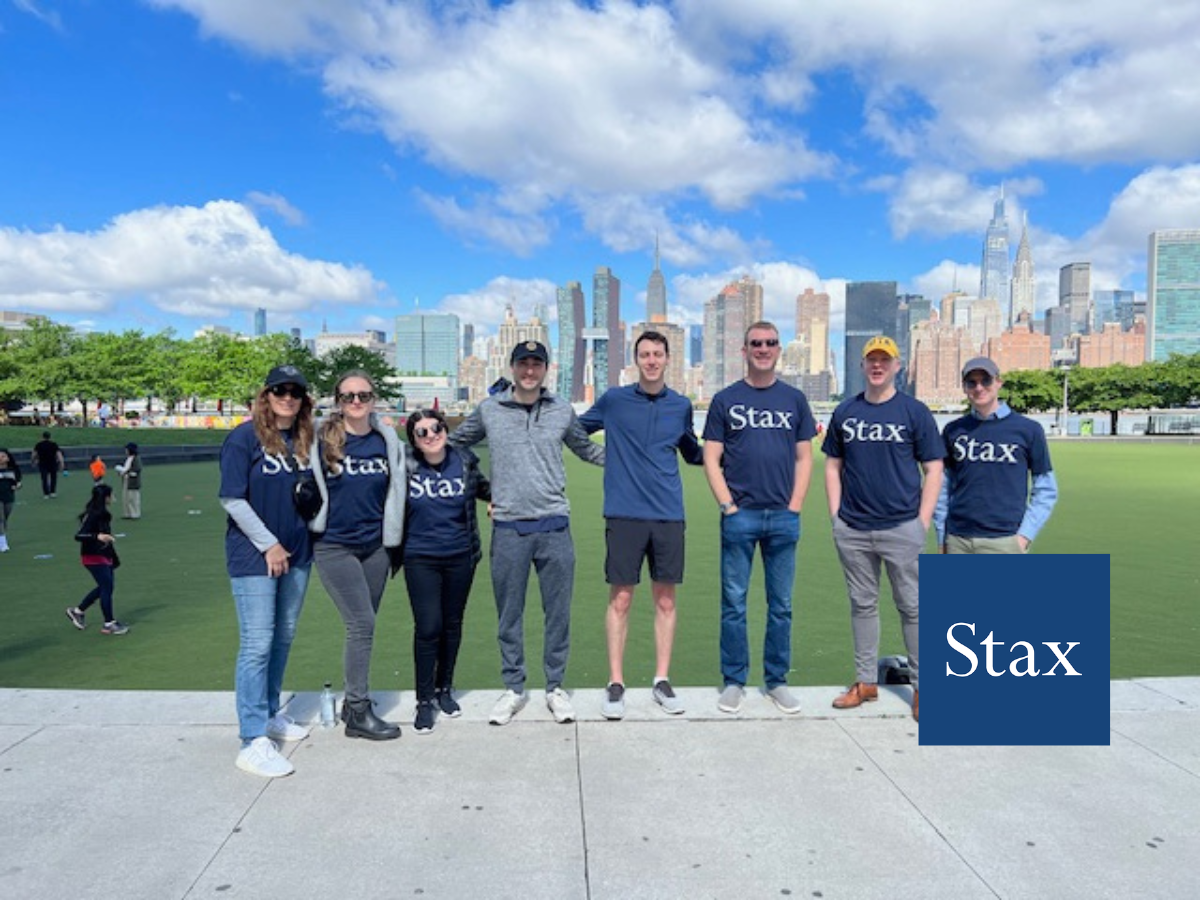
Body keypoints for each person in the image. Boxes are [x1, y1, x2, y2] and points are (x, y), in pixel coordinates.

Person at [449, 340, 605, 726]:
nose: (530, 370)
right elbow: (452, 447)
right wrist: (483, 488)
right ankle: (514, 687)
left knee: (558, 615)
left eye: (536, 364)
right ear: (513, 367)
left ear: (546, 369)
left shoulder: (561, 411)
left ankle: (555, 687)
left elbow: (587, 450)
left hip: (554, 525)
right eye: (523, 364)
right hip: (508, 528)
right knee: (509, 616)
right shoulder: (490, 409)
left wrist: (635, 460)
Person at [579, 331, 703, 719]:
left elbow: (692, 452)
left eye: (657, 354)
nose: (651, 360)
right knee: (622, 599)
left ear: (668, 359)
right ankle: (616, 683)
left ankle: (661, 680)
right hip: (624, 513)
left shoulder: (680, 405)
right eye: (644, 354)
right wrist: (605, 459)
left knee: (665, 600)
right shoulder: (614, 400)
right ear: (636, 360)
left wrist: (731, 450)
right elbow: (572, 432)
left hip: (668, 513)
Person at [823, 336, 943, 723]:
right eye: (871, 359)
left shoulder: (914, 412)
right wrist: (836, 517)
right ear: (862, 366)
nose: (877, 365)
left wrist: (922, 521)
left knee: (913, 607)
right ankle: (865, 682)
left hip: (901, 527)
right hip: (854, 528)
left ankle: (924, 689)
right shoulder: (846, 412)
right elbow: (832, 466)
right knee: (862, 605)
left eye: (884, 360)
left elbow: (934, 469)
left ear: (897, 366)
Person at [702, 321, 817, 715]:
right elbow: (711, 458)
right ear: (744, 349)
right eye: (756, 343)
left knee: (781, 605)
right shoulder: (725, 400)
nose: (763, 349)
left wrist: (796, 504)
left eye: (769, 343)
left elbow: (805, 457)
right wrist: (727, 506)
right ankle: (734, 681)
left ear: (778, 349)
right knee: (733, 603)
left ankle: (776, 681)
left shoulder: (795, 400)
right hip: (740, 517)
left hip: (784, 518)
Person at [218, 364, 316, 778]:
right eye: (280, 390)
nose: (288, 397)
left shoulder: (303, 439)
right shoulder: (244, 438)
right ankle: (252, 738)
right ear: (267, 394)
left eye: (295, 391)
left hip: (297, 552)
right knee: (257, 642)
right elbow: (232, 500)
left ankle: (271, 710)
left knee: (283, 636)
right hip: (255, 554)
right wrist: (269, 544)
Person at [309, 371, 409, 741]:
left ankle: (354, 704)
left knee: (365, 625)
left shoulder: (387, 441)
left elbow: (398, 489)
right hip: (335, 545)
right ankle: (358, 711)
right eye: (349, 396)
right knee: (361, 624)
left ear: (374, 398)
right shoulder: (322, 439)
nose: (356, 402)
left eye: (363, 395)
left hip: (376, 547)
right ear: (338, 400)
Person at [402, 408, 491, 734]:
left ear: (444, 428)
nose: (431, 435)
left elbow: (482, 488)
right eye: (421, 432)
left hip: (461, 556)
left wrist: (495, 499)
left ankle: (444, 690)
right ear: (413, 439)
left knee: (452, 625)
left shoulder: (464, 460)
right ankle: (424, 700)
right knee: (428, 627)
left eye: (435, 428)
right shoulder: (406, 466)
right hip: (420, 557)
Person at [934, 356, 1058, 555]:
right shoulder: (953, 430)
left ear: (998, 383)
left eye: (986, 380)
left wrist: (1024, 537)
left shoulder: (1028, 430)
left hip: (1004, 541)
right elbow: (942, 486)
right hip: (958, 540)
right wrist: (942, 536)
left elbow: (1046, 489)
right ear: (964, 387)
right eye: (971, 382)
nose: (979, 387)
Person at [65, 484, 129, 635]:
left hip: (104, 555)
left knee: (106, 587)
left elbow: (107, 537)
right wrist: (97, 536)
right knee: (106, 587)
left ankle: (78, 611)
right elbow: (79, 535)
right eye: (111, 495)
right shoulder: (93, 514)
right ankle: (109, 623)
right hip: (93, 556)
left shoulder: (102, 514)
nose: (113, 498)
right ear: (105, 497)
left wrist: (114, 558)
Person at [0, 448, 22, 553]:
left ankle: (1, 536)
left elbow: (18, 482)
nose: (1, 458)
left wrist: (17, 486)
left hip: (8, 496)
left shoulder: (13, 470)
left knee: (4, 519)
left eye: (3, 456)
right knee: (0, 519)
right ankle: (3, 543)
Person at [114, 442, 142, 519]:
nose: (125, 451)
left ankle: (135, 514)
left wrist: (125, 471)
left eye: (127, 449)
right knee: (126, 498)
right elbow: (126, 468)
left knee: (133, 498)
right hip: (126, 480)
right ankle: (127, 513)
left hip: (133, 482)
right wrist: (121, 472)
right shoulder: (129, 458)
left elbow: (137, 469)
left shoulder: (136, 458)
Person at [31, 431, 63, 498]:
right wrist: (61, 463)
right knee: (53, 477)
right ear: (50, 437)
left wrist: (33, 461)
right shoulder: (54, 444)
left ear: (42, 437)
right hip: (52, 463)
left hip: (43, 463)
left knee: (44, 478)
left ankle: (46, 493)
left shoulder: (39, 445)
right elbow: (59, 454)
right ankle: (53, 492)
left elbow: (34, 454)